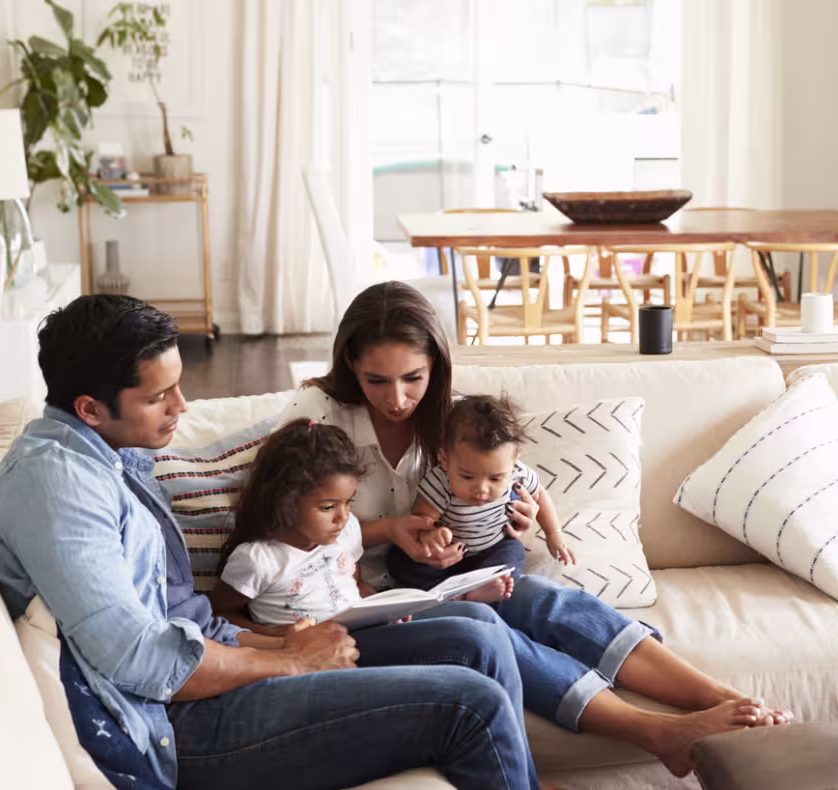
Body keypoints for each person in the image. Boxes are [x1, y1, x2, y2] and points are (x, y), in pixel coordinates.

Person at [0, 295, 539, 790]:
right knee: (472, 704)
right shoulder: (59, 484)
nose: (182, 406)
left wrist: (271, 638)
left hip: (212, 661)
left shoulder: (109, 454)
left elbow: (178, 617)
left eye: (178, 386)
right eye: (159, 397)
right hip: (180, 722)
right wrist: (288, 659)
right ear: (91, 409)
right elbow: (137, 658)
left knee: (480, 636)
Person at [268, 281, 793, 777]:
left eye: (414, 378)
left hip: (449, 579)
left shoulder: (453, 422)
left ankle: (719, 696)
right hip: (360, 599)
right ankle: (659, 733)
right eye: (376, 380)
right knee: (486, 627)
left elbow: (507, 491)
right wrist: (389, 530)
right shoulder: (319, 414)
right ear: (350, 367)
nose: (398, 398)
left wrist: (515, 523)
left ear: (436, 367)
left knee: (543, 599)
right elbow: (281, 520)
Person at [209, 419, 513, 630]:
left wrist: (384, 609)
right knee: (473, 630)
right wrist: (275, 638)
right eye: (328, 507)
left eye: (349, 502)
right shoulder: (258, 560)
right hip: (327, 652)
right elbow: (220, 613)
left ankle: (461, 598)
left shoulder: (345, 532)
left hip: (368, 631)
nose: (343, 517)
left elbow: (353, 586)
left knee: (478, 618)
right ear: (285, 500)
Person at [389, 393, 572, 592]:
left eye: (495, 478)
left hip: (492, 550)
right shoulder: (441, 482)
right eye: (467, 477)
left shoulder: (517, 473)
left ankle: (484, 588)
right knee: (399, 561)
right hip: (447, 557)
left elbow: (540, 496)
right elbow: (421, 518)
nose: (482, 489)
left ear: (514, 460)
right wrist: (431, 535)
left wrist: (554, 534)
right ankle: (455, 593)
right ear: (444, 458)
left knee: (512, 552)